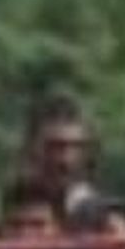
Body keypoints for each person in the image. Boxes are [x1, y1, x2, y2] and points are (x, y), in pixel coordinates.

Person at [21, 93, 101, 231]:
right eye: (54, 147)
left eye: (77, 147)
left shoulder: (103, 217)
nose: (65, 159)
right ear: (33, 150)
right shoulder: (11, 208)